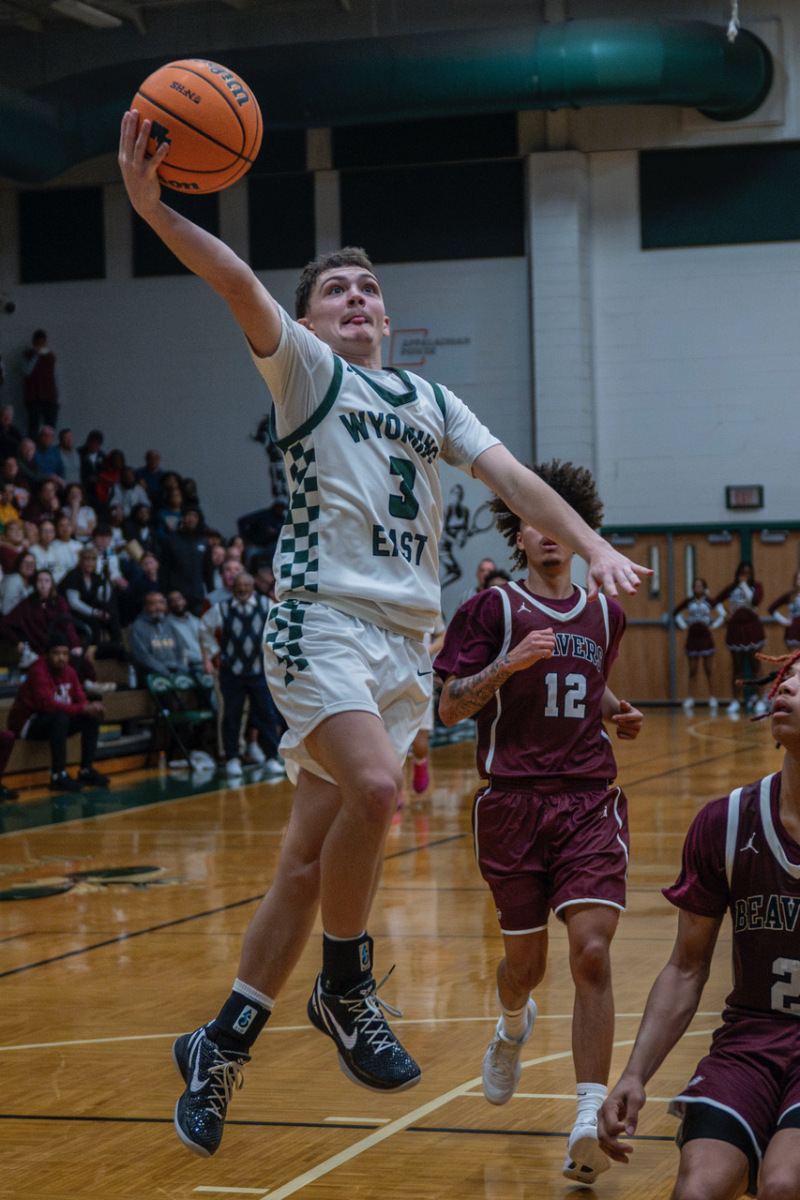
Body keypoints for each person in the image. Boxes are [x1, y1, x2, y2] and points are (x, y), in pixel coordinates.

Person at [118, 110, 647, 1159]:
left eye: (368, 289)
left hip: (403, 647)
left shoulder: (430, 399)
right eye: (335, 291)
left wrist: (590, 543)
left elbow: (512, 480)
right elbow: (234, 280)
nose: (355, 298)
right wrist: (151, 207)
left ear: (388, 316)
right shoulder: (306, 372)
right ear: (310, 318)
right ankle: (345, 985)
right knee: (373, 791)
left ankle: (220, 1044)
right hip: (320, 620)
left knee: (304, 865)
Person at [434, 459, 643, 1185]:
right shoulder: (491, 609)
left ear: (581, 533)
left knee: (592, 952)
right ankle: (512, 1022)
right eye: (536, 520)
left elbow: (588, 678)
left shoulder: (606, 614)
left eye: (563, 521)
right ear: (518, 534)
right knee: (525, 969)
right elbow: (449, 707)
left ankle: (587, 1118)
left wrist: (614, 711)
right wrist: (506, 666)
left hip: (587, 799)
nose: (551, 532)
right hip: (512, 805)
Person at [599, 647, 800, 1200]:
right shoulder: (727, 821)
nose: (786, 688)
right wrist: (634, 1074)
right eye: (786, 680)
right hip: (750, 1042)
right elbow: (686, 969)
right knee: (697, 1190)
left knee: (784, 1183)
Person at [200, 570, 284, 778]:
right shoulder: (222, 608)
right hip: (232, 672)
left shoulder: (266, 604)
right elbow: (203, 629)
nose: (243, 589)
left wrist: (273, 651)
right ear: (232, 588)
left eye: (247, 585)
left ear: (253, 587)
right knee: (231, 716)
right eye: (239, 585)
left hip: (260, 671)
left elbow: (281, 628)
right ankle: (232, 758)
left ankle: (271, 757)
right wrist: (214, 652)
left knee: (266, 714)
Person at [7, 632, 109, 793]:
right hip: (27, 723)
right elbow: (48, 705)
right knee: (60, 717)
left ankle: (86, 770)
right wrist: (82, 708)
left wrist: (90, 707)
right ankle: (57, 775)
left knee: (90, 717)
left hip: (52, 720)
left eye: (65, 654)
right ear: (47, 654)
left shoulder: (70, 672)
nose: (61, 658)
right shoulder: (38, 671)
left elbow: (80, 699)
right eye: (56, 653)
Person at [713, 561, 767, 717]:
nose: (745, 575)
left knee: (756, 665)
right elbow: (714, 601)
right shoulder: (731, 588)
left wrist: (744, 585)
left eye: (748, 573)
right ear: (738, 573)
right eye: (742, 572)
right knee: (737, 668)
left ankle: (760, 700)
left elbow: (755, 601)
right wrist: (725, 614)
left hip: (752, 629)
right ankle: (736, 700)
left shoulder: (756, 586)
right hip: (736, 630)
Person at [673, 576, 725, 712]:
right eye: (696, 586)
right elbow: (676, 613)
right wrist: (683, 625)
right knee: (692, 670)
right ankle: (690, 698)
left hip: (705, 636)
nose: (698, 588)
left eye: (700, 586)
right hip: (693, 636)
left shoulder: (709, 601)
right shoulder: (689, 601)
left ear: (705, 588)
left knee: (708, 669)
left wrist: (714, 625)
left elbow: (723, 614)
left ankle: (712, 698)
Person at [128, 591, 185, 681]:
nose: (158, 607)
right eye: (153, 603)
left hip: (176, 670)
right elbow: (143, 657)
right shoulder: (137, 627)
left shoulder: (170, 623)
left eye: (161, 602)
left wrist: (182, 668)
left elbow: (182, 649)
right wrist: (165, 672)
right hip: (152, 673)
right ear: (145, 607)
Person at [21, 329, 59, 436]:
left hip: (49, 396)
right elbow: (26, 371)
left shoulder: (50, 356)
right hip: (33, 396)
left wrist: (58, 396)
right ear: (34, 342)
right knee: (33, 425)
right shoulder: (27, 355)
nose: (40, 345)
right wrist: (36, 356)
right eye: (38, 342)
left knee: (50, 426)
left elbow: (55, 376)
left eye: (42, 342)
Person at [166, 590, 204, 668]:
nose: (177, 603)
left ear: (184, 601)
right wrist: (202, 658)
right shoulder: (167, 625)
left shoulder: (196, 620)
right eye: (173, 601)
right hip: (191, 666)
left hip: (208, 661)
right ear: (168, 605)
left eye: (179, 599)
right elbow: (177, 651)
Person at [768, 569, 800, 652]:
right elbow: (771, 609)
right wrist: (784, 621)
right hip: (794, 630)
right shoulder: (789, 595)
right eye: (799, 578)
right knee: (795, 657)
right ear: (795, 581)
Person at [0, 549, 36, 616]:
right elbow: (6, 610)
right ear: (19, 564)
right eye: (25, 562)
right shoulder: (13, 580)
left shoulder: (33, 583)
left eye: (32, 563)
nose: (29, 565)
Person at [49, 515, 83, 584]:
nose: (65, 528)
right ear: (57, 529)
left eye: (68, 525)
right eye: (61, 526)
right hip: (59, 579)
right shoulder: (52, 546)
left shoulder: (79, 546)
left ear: (72, 528)